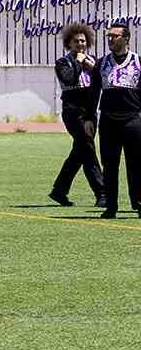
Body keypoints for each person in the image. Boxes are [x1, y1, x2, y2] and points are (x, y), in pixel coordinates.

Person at [49, 22, 105, 209]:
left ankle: (59, 190)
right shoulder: (63, 63)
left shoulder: (94, 61)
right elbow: (69, 78)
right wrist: (79, 61)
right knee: (87, 148)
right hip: (73, 110)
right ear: (69, 43)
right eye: (76, 41)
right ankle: (102, 192)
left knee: (80, 151)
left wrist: (93, 68)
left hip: (90, 110)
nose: (80, 44)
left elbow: (101, 84)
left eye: (83, 41)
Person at [95, 22, 141, 219]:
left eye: (115, 36)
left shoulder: (138, 62)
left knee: (136, 164)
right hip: (108, 121)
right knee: (110, 165)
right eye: (109, 36)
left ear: (126, 38)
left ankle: (138, 203)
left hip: (133, 120)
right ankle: (111, 206)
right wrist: (89, 118)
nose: (111, 40)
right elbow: (93, 93)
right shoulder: (102, 63)